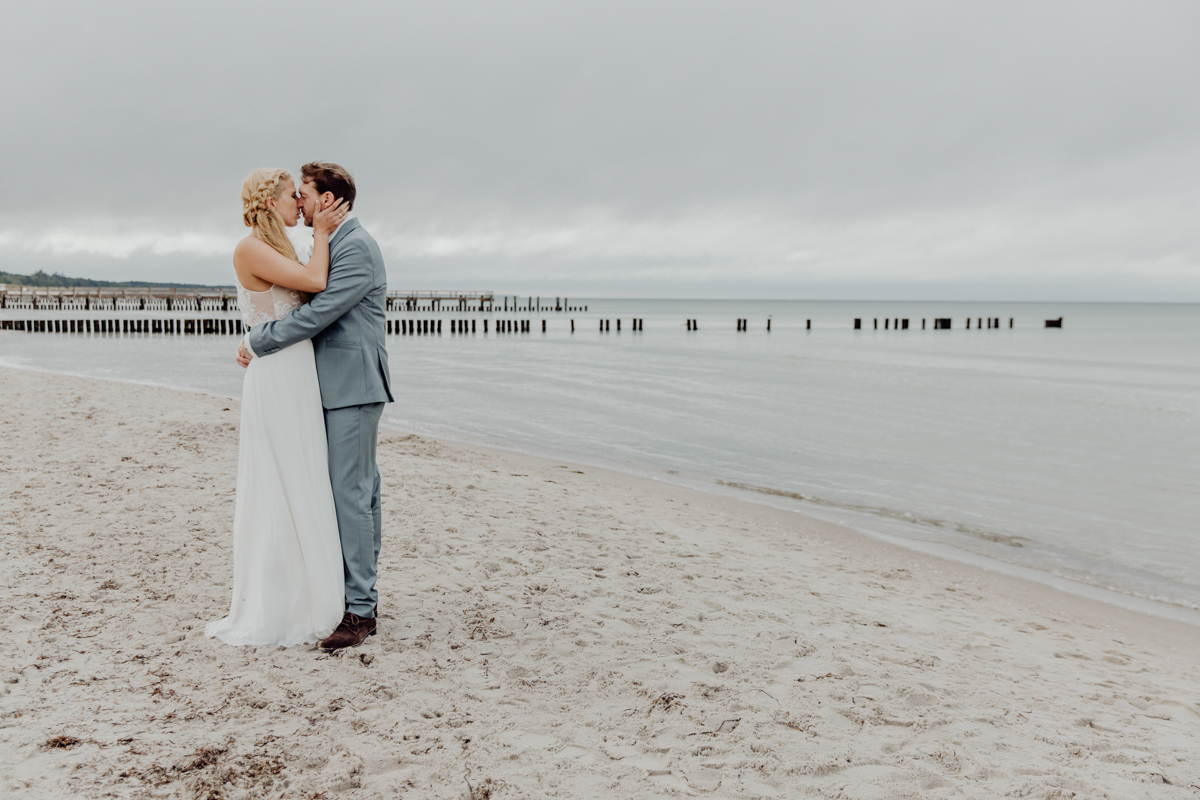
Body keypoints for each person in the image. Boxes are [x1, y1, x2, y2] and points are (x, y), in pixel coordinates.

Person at [236, 162, 394, 652]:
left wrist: (260, 340)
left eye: (304, 194)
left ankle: (360, 610)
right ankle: (356, 595)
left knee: (353, 493)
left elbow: (322, 310)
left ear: (326, 200)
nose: (299, 203)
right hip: (329, 386)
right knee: (356, 492)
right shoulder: (333, 243)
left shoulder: (358, 247)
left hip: (353, 386)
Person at [206, 167, 349, 647]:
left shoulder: (279, 248)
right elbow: (316, 280)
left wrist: (252, 338)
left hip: (296, 376)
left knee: (303, 478)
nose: (300, 203)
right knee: (280, 482)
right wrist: (325, 234)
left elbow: (310, 297)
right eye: (293, 195)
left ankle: (312, 590)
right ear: (270, 201)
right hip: (276, 379)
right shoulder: (250, 247)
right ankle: (281, 601)